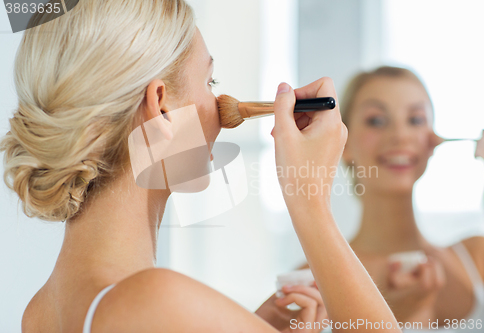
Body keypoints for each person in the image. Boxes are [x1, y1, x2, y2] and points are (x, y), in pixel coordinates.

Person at [0, 1, 402, 332]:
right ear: (162, 105)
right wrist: (310, 202)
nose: (220, 108)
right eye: (210, 82)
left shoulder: (41, 311)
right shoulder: (157, 301)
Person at [302, 66, 484, 331]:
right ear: (343, 142)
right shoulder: (313, 278)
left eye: (416, 120)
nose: (401, 135)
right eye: (377, 120)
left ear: (433, 141)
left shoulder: (481, 257)